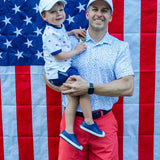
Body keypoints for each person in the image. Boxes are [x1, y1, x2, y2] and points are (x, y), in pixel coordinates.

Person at [58, 0, 134, 159]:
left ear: (110, 16)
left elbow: (128, 86)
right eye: (95, 9)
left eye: (104, 10)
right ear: (87, 14)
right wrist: (63, 86)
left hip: (103, 122)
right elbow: (47, 74)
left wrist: (88, 88)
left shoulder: (120, 47)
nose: (99, 14)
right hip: (72, 123)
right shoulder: (70, 42)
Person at [39, 0, 105, 151]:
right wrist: (77, 50)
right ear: (44, 16)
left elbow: (61, 35)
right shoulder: (49, 34)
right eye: (53, 12)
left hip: (63, 69)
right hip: (58, 72)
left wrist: (72, 32)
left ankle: (68, 131)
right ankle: (88, 122)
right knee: (84, 88)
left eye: (61, 10)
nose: (58, 14)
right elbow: (59, 55)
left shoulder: (57, 28)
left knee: (73, 100)